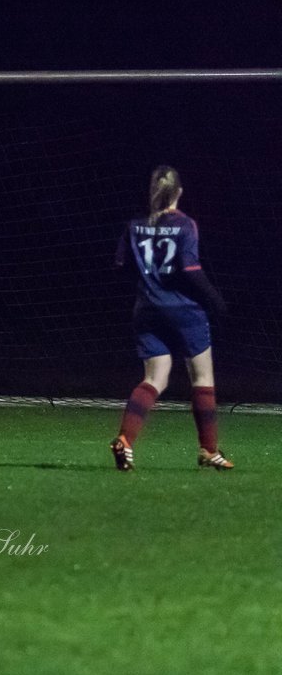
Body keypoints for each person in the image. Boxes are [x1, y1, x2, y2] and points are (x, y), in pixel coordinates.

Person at [110, 165, 232, 471]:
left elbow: (121, 267)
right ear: (178, 192)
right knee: (202, 377)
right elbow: (191, 270)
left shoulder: (134, 226)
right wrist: (217, 302)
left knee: (155, 378)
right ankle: (209, 450)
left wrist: (150, 288)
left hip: (147, 310)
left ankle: (125, 441)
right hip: (185, 311)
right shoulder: (186, 225)